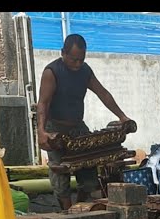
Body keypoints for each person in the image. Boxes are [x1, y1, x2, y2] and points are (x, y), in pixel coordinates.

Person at [37, 34, 131, 210]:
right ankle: (66, 214)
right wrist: (41, 131)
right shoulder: (52, 72)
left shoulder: (85, 70)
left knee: (88, 173)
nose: (77, 64)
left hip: (78, 127)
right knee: (60, 174)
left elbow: (102, 93)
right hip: (55, 127)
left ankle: (80, 208)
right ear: (63, 53)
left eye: (81, 59)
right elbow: (43, 103)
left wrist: (122, 116)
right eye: (74, 60)